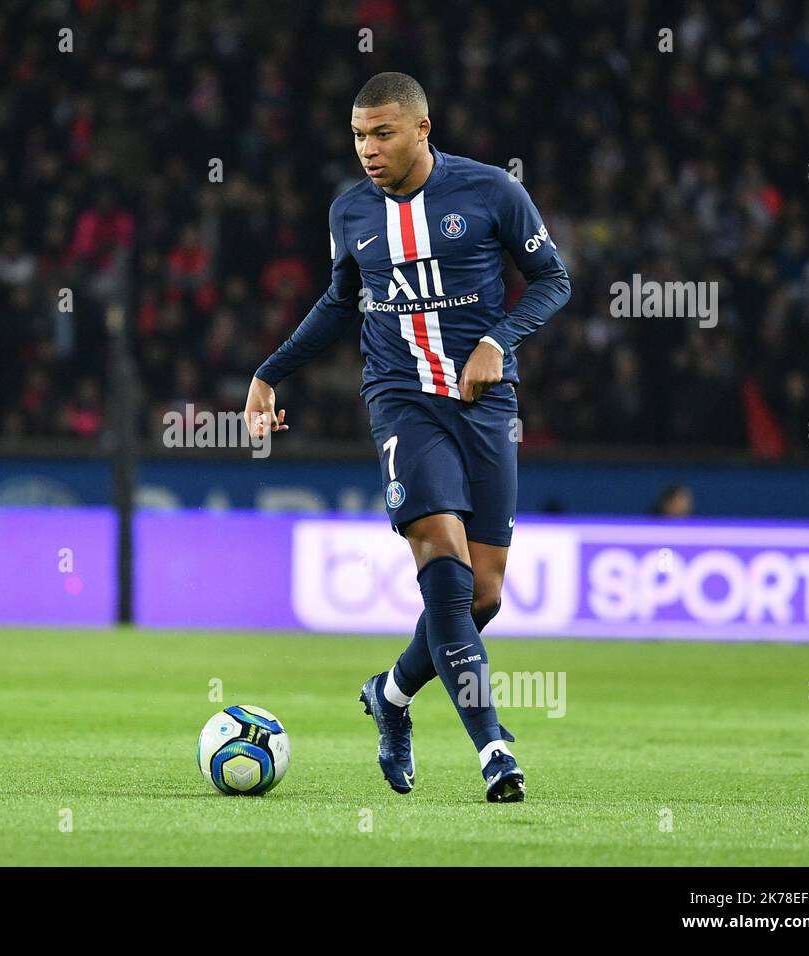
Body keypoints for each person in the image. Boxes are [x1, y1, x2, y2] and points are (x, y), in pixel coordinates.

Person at [244, 72, 570, 802]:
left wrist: (499, 337)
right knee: (445, 567)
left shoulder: (490, 191)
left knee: (484, 596)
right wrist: (270, 373)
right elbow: (340, 302)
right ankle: (493, 749)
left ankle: (390, 694)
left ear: (424, 128)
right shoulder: (351, 210)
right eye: (359, 135)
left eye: (382, 133)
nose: (368, 148)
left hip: (485, 404)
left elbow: (553, 279)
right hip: (402, 404)